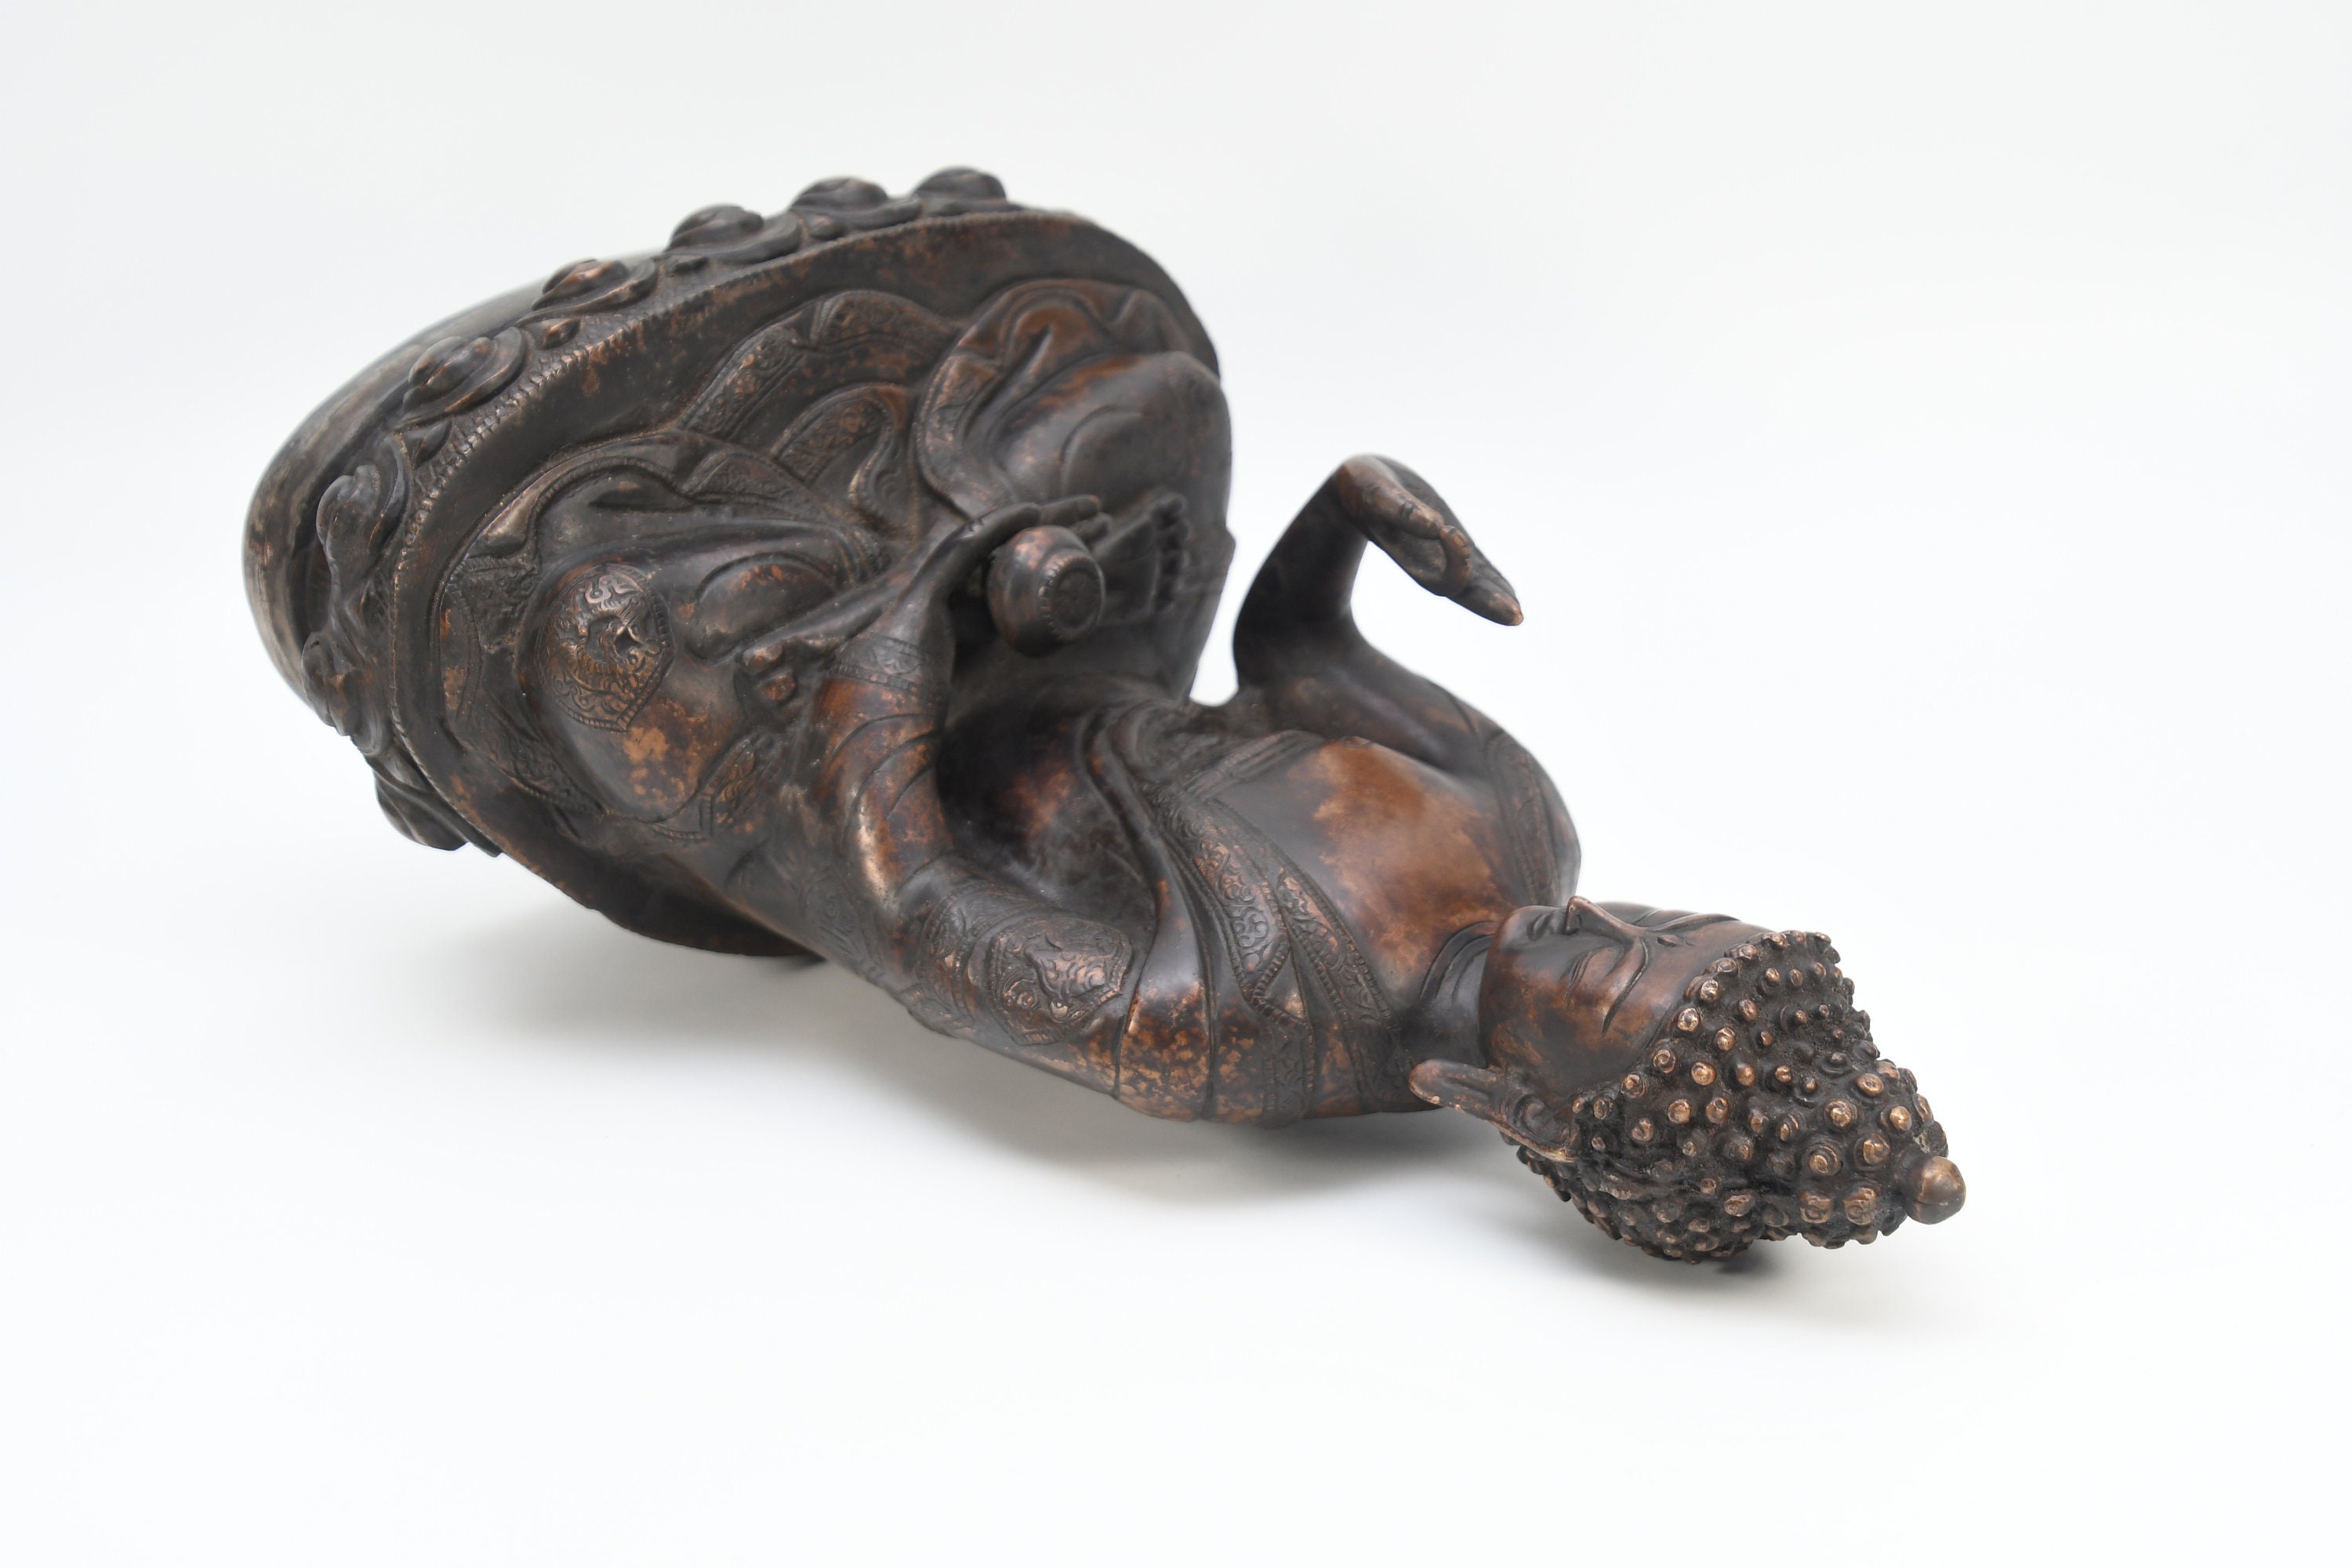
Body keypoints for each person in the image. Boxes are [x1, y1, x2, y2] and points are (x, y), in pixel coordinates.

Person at [248, 171, 1959, 1260]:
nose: (1599, 926)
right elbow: (1289, 653)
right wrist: (1357, 512)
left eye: (1604, 986)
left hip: (849, 739)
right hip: (1069, 626)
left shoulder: (1228, 1029)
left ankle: (416, 515)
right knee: (1159, 389)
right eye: (1659, 924)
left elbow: (911, 904)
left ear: (1521, 1106)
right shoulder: (1514, 822)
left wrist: (913, 626)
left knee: (600, 622)